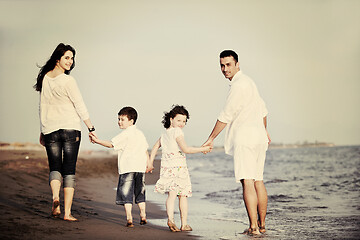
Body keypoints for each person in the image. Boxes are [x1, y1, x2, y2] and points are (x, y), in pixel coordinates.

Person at [202, 50, 271, 235]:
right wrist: (264, 131)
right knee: (258, 180)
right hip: (258, 137)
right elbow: (263, 110)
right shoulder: (250, 82)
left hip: (246, 138)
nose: (225, 69)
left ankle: (254, 227)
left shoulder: (238, 85)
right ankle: (262, 226)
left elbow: (226, 114)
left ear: (237, 64)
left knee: (248, 181)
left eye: (228, 65)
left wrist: (211, 138)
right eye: (222, 66)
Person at [34, 43, 96, 221]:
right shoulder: (68, 80)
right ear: (58, 59)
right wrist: (91, 128)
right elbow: (79, 105)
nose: (71, 61)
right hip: (70, 129)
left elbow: (42, 107)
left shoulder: (45, 78)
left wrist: (42, 129)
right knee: (68, 170)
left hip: (50, 129)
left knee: (55, 167)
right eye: (67, 57)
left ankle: (55, 200)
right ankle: (67, 213)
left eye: (72, 58)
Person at [147, 105, 212, 232]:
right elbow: (186, 149)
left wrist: (150, 162)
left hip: (166, 167)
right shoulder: (177, 132)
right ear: (171, 119)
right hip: (179, 168)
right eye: (179, 120)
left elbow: (154, 147)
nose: (182, 124)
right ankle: (184, 224)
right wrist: (203, 149)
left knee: (171, 196)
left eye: (184, 121)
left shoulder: (165, 133)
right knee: (183, 195)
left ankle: (171, 220)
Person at [90, 106, 149, 227]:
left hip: (127, 168)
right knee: (140, 193)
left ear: (131, 121)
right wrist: (149, 164)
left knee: (126, 194)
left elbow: (111, 144)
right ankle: (143, 215)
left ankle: (129, 218)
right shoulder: (140, 134)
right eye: (119, 119)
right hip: (140, 168)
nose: (119, 122)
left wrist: (97, 141)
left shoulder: (125, 134)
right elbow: (145, 150)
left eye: (122, 119)